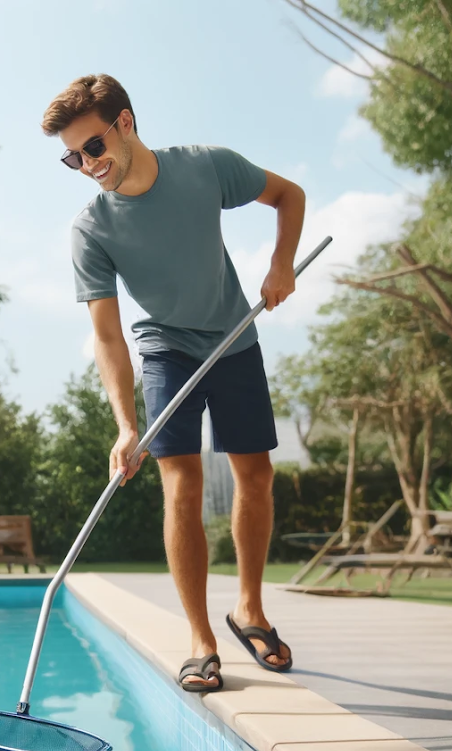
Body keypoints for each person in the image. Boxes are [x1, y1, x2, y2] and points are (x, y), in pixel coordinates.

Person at [41, 74, 306, 692]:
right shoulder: (91, 230)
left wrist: (281, 263)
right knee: (181, 481)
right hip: (165, 349)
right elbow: (108, 337)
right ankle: (201, 640)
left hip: (234, 336)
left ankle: (249, 611)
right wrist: (125, 424)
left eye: (94, 149)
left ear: (125, 124)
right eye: (73, 158)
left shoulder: (206, 168)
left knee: (255, 475)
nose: (88, 166)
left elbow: (288, 196)